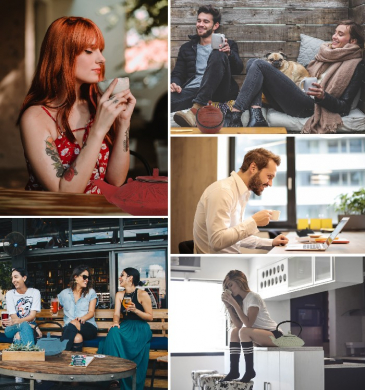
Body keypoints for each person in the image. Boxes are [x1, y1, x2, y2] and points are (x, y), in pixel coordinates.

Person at [17, 16, 136, 194]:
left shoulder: (96, 105)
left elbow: (116, 180)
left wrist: (123, 122)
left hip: (97, 214)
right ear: (62, 55)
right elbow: (65, 193)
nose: (101, 59)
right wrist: (98, 129)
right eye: (89, 51)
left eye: (100, 50)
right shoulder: (36, 117)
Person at [224, 20, 364, 132]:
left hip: (309, 106)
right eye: (335, 32)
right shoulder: (327, 54)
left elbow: (344, 107)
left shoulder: (354, 65)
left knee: (259, 64)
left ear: (352, 41)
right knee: (253, 62)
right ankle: (256, 114)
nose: (334, 36)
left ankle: (235, 113)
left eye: (340, 34)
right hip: (296, 97)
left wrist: (323, 97)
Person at [193, 148, 289, 254]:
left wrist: (271, 243)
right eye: (269, 176)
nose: (270, 183)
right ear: (253, 168)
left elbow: (235, 236)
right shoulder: (223, 191)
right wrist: (254, 221)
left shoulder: (242, 193)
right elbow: (217, 241)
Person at [171, 5, 243, 126]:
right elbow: (178, 74)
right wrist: (174, 83)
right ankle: (200, 102)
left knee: (218, 53)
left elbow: (238, 69)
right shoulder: (186, 48)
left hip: (218, 90)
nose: (200, 24)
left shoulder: (228, 44)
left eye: (206, 21)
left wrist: (229, 54)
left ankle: (195, 109)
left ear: (215, 26)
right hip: (192, 92)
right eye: (199, 21)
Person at [221, 270, 282, 383]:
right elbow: (239, 325)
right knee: (235, 331)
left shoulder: (253, 297)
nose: (230, 289)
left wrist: (234, 303)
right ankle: (234, 370)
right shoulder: (243, 301)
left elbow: (248, 324)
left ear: (239, 282)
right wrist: (229, 306)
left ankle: (249, 371)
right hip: (261, 335)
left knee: (244, 331)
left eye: (231, 285)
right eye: (227, 287)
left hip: (275, 334)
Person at [98, 267, 153, 390]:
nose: (120, 277)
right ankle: (114, 378)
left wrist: (136, 310)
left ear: (130, 278)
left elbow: (150, 317)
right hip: (126, 324)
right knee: (113, 331)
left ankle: (125, 374)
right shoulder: (120, 294)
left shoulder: (142, 294)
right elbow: (117, 313)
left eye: (122, 275)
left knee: (114, 336)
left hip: (140, 327)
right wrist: (116, 322)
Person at [58, 265, 97, 352]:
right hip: (69, 328)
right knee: (77, 338)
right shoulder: (64, 293)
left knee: (75, 323)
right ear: (76, 277)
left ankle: (61, 354)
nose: (87, 279)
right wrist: (54, 308)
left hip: (87, 327)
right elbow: (56, 304)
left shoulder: (91, 292)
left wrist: (82, 318)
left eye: (88, 277)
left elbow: (91, 312)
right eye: (84, 277)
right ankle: (75, 363)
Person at [3, 268, 41, 345]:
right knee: (24, 325)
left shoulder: (35, 292)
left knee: (19, 336)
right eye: (12, 278)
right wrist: (33, 326)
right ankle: (32, 353)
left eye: (16, 277)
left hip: (26, 325)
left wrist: (26, 324)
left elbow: (32, 316)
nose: (13, 280)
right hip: (12, 327)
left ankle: (21, 352)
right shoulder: (10, 294)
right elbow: (13, 317)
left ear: (24, 278)